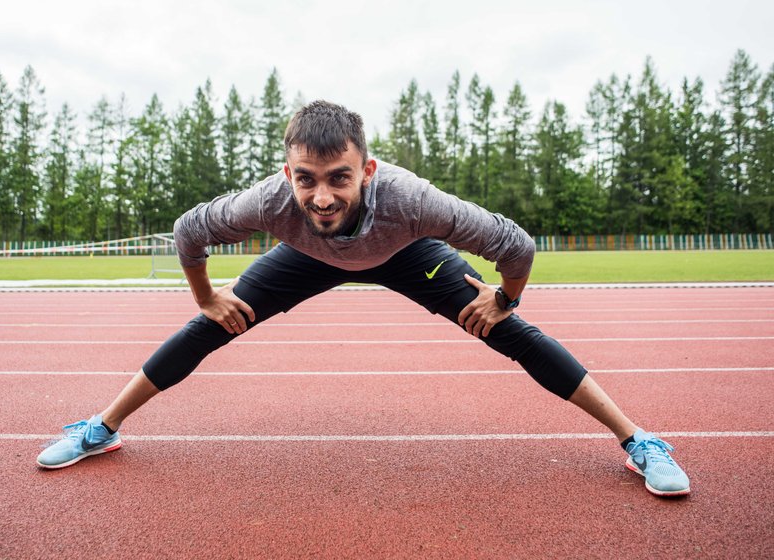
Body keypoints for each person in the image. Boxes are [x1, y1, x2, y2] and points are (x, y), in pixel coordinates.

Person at [37, 100, 690, 497]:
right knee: (210, 328)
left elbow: (515, 246)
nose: (321, 196)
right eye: (305, 179)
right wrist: (208, 296)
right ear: (288, 171)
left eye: (339, 179)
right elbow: (189, 232)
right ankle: (100, 429)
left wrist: (506, 301)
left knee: (511, 335)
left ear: (367, 171)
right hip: (303, 258)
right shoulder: (268, 202)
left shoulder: (411, 200)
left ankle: (639, 442)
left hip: (405, 254)